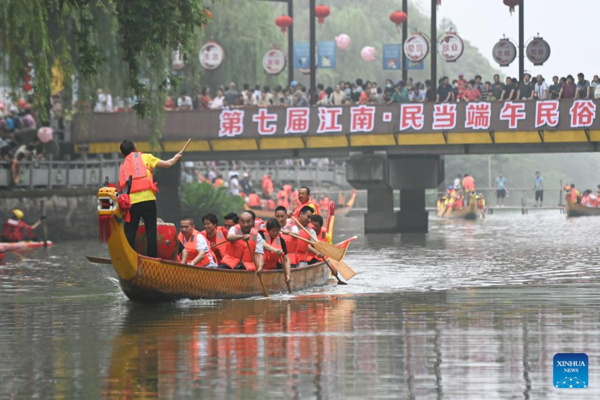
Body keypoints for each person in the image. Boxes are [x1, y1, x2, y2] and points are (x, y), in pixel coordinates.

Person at [118, 140, 182, 258]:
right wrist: (176, 158)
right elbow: (168, 164)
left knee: (130, 232)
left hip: (131, 203)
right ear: (135, 148)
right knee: (151, 231)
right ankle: (152, 258)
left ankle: (130, 257)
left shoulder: (122, 166)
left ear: (123, 154)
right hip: (148, 201)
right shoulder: (146, 157)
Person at [262, 219, 292, 284]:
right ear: (268, 230)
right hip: (260, 266)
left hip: (273, 266)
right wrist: (275, 250)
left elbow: (286, 260)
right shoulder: (261, 235)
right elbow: (263, 244)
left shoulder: (281, 240)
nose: (275, 233)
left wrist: (288, 275)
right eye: (273, 231)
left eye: (277, 231)